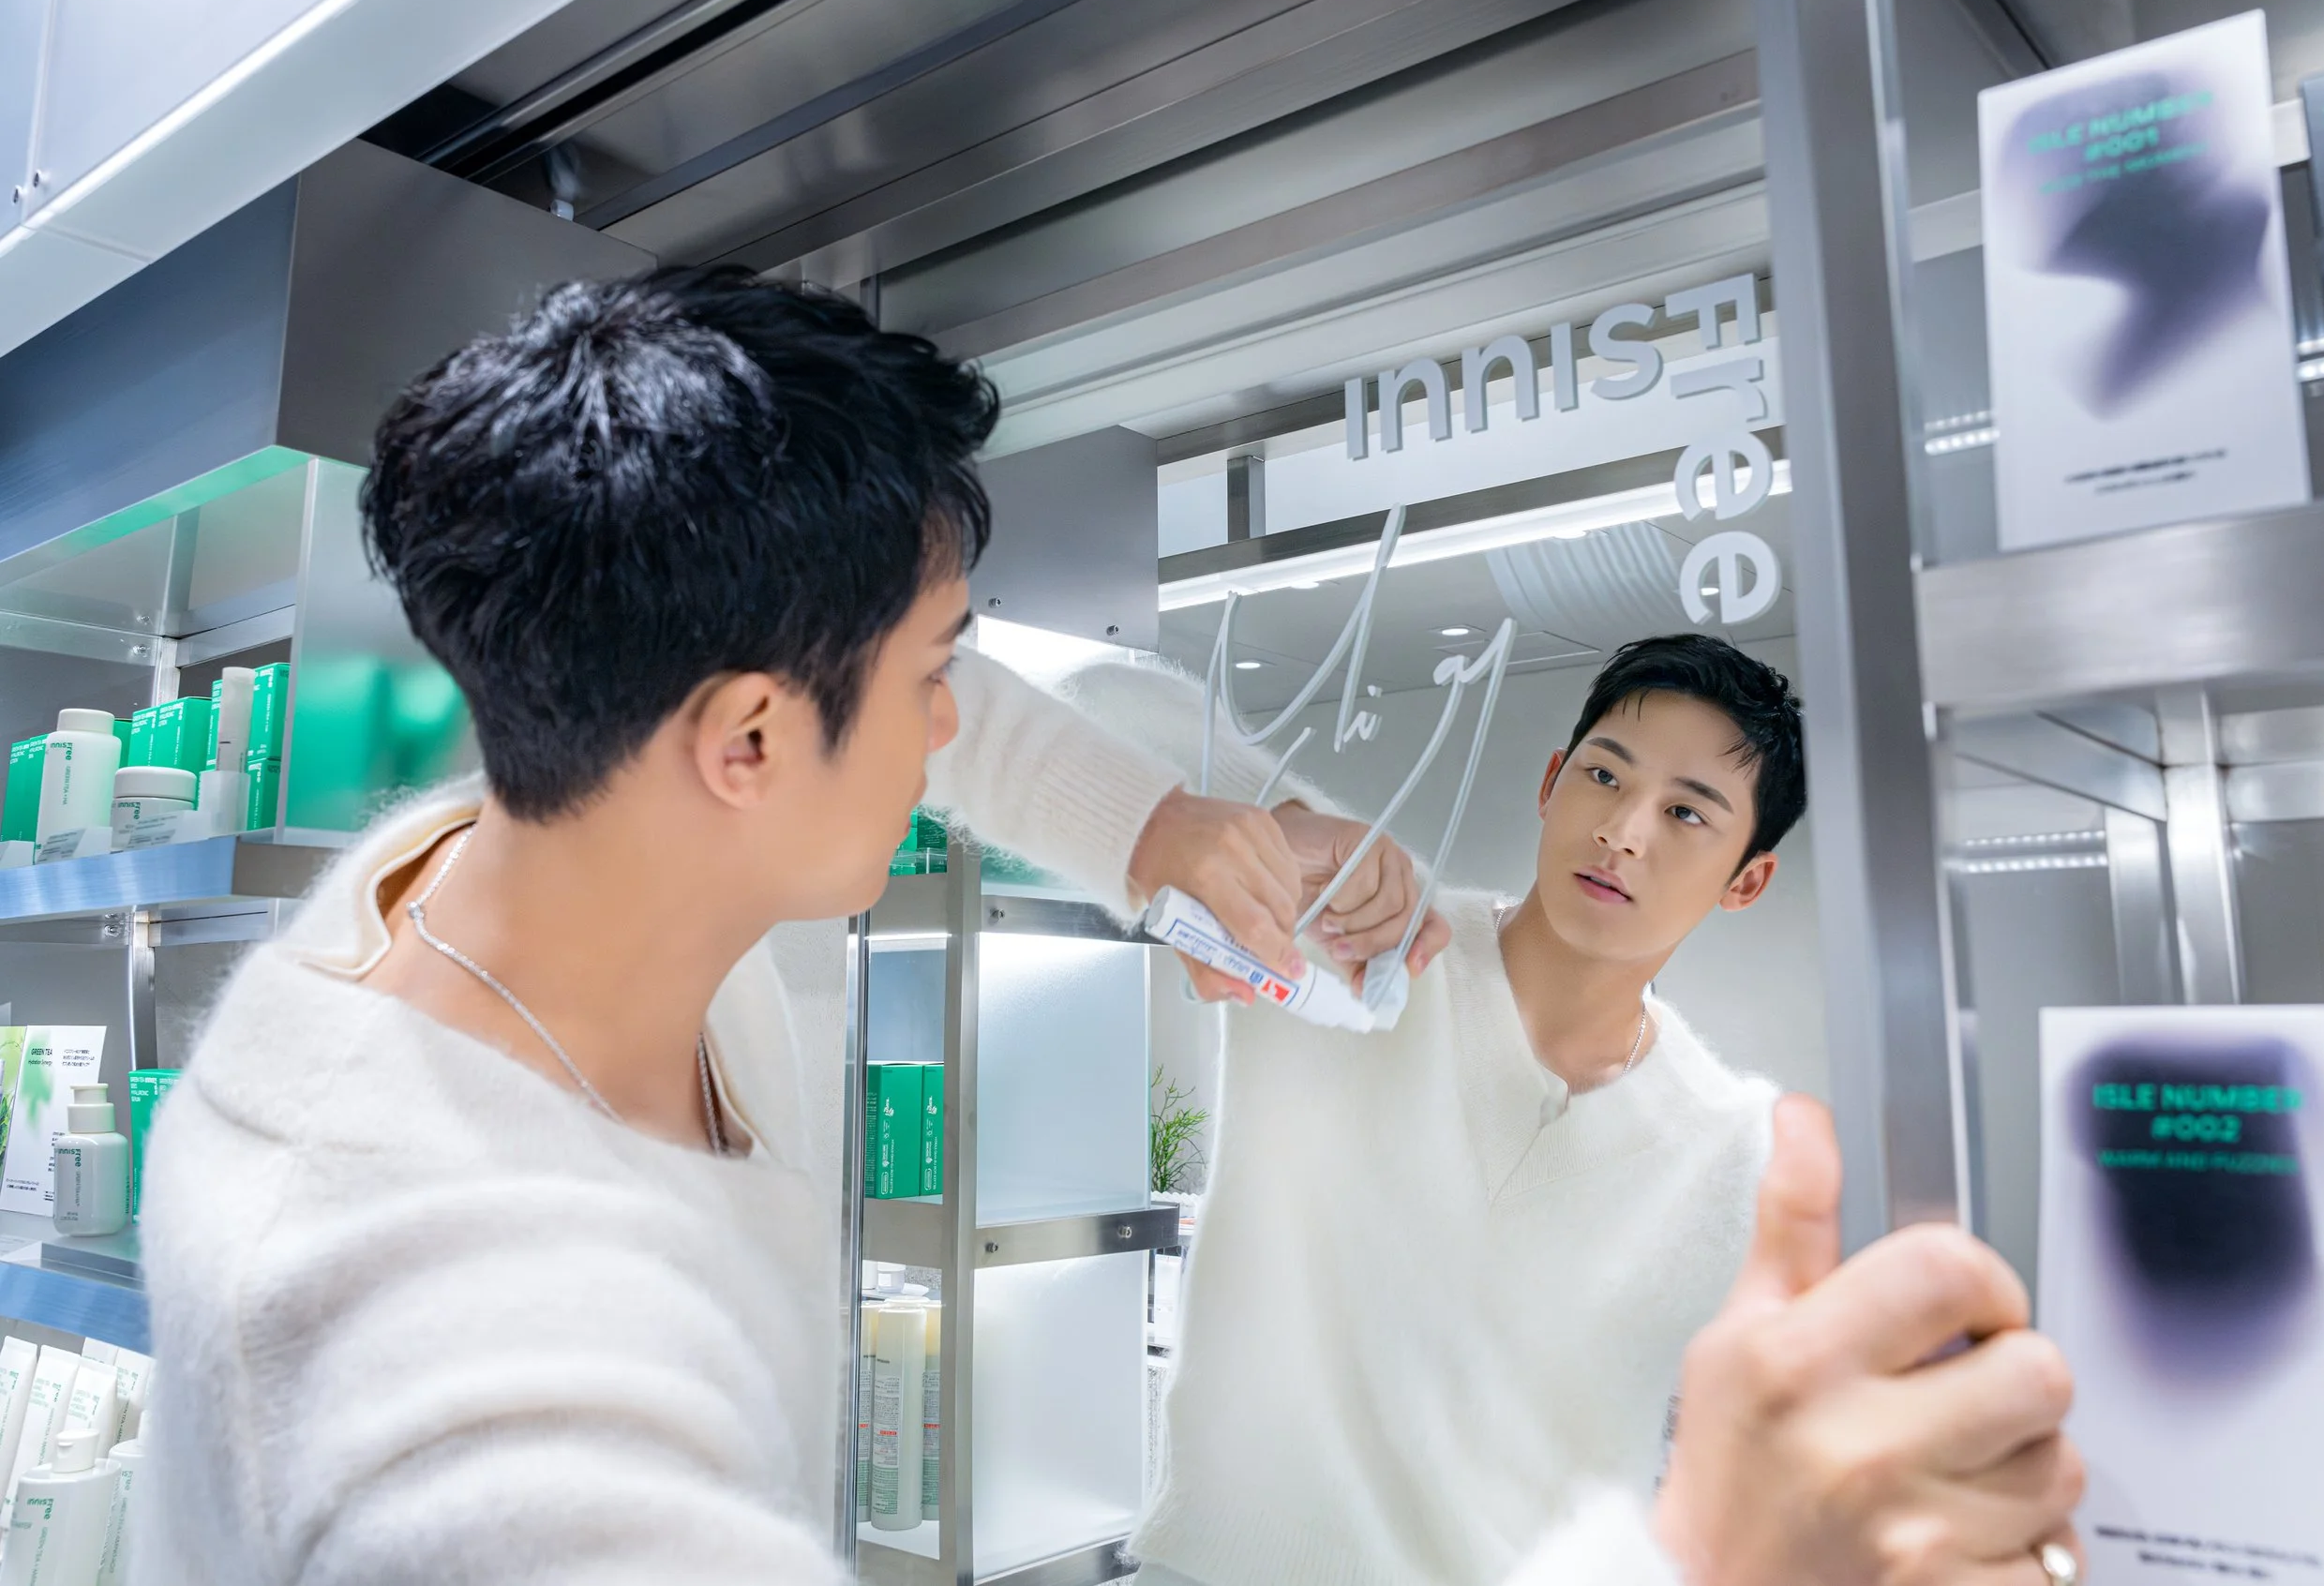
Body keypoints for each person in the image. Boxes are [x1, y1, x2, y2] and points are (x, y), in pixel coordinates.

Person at [131, 269, 2077, 1586]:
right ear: (743, 738)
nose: (956, 733)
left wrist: (1166, 828)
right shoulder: (479, 1373)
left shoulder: (538, 875)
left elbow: (1036, 752)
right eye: (930, 676)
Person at [1057, 637, 2082, 1586]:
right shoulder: (1362, 931)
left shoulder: (1733, 1150)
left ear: (1747, 877)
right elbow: (1090, 700)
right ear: (1552, 783)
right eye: (1604, 774)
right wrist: (1268, 822)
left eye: (1686, 813)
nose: (1622, 832)